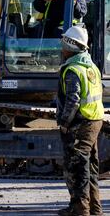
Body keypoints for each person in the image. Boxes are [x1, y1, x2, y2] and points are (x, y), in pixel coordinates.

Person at [56, 25, 104, 216]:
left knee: (77, 166)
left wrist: (65, 122)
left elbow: (73, 99)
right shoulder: (91, 66)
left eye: (63, 43)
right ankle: (95, 209)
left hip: (81, 123)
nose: (61, 48)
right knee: (90, 165)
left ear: (70, 45)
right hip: (94, 120)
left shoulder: (73, 69)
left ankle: (80, 209)